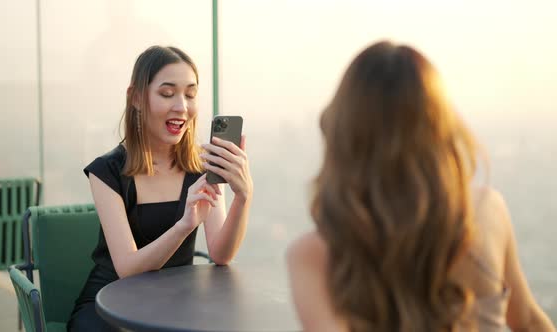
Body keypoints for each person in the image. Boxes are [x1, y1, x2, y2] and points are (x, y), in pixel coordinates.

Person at [286, 41, 555, 332]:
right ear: (441, 127)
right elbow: (528, 321)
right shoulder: (486, 212)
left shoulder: (313, 255)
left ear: (343, 132)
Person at [67, 46, 253, 331]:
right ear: (137, 98)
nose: (182, 106)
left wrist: (243, 196)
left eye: (190, 94)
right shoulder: (106, 172)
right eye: (167, 93)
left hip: (174, 306)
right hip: (109, 307)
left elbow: (220, 254)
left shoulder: (203, 166)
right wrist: (183, 226)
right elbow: (127, 269)